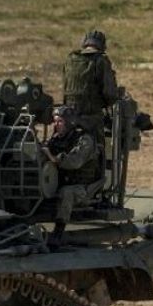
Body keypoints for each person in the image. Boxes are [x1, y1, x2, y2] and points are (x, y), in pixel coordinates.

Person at [42, 105, 99, 246]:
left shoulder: (85, 140)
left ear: (69, 123)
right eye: (55, 121)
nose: (56, 125)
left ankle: (58, 233)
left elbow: (74, 162)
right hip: (62, 183)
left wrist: (51, 157)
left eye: (60, 121)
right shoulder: (56, 139)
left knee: (66, 193)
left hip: (83, 188)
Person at [63, 29, 119, 136]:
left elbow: (66, 87)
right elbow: (110, 93)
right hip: (92, 118)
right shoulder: (101, 61)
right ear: (102, 46)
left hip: (69, 115)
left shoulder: (70, 59)